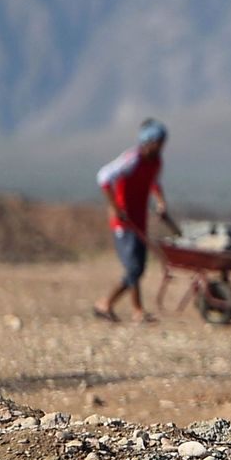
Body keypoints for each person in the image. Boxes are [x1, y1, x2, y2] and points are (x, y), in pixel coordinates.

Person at [91, 118, 179, 323]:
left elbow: (154, 183)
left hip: (140, 220)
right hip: (122, 222)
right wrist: (115, 207)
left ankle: (137, 311)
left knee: (138, 266)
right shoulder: (131, 159)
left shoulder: (156, 162)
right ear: (149, 142)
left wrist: (160, 202)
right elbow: (103, 177)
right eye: (159, 142)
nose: (162, 147)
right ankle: (104, 303)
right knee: (133, 268)